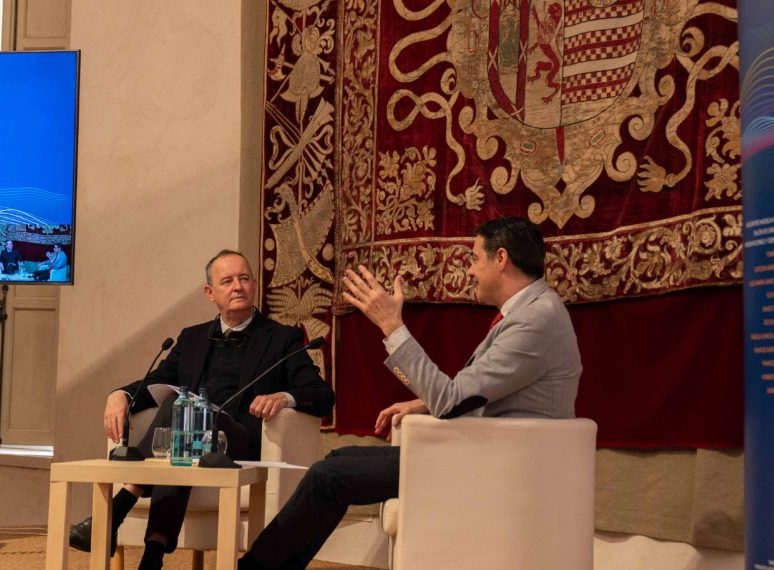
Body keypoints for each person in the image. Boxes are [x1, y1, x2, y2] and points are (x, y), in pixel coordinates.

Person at [237, 216, 582, 570]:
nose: (471, 271)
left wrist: (391, 325)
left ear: (501, 259)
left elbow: (452, 401)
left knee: (328, 479)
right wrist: (422, 402)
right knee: (335, 461)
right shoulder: (532, 311)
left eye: (476, 259)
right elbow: (478, 391)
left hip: (495, 466)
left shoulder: (532, 320)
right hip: (487, 453)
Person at [69, 249, 335, 570]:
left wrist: (284, 397)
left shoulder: (281, 338)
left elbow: (321, 395)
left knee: (181, 410)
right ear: (211, 293)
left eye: (244, 278)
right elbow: (157, 382)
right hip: (190, 444)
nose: (238, 286)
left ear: (254, 285)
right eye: (227, 281)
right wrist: (120, 394)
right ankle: (152, 558)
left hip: (240, 445)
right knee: (182, 426)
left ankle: (117, 509)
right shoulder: (191, 338)